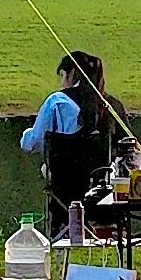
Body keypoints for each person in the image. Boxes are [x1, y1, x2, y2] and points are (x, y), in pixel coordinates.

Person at [17, 48, 119, 234]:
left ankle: (59, 233)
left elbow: (33, 143)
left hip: (65, 186)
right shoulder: (112, 106)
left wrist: (26, 133)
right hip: (106, 188)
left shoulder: (57, 101)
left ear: (72, 73)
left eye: (62, 76)